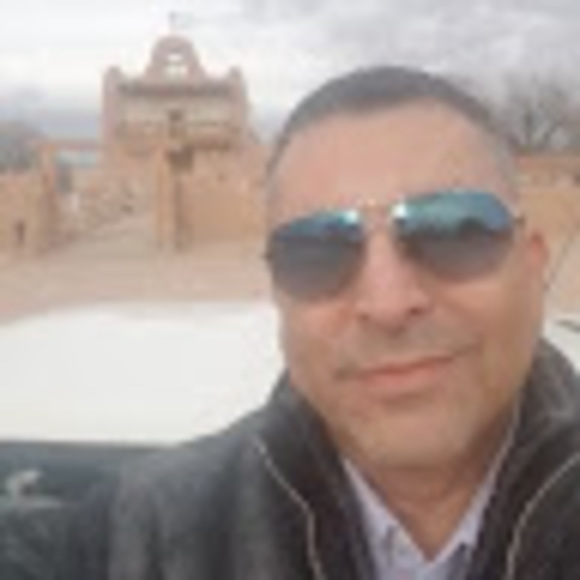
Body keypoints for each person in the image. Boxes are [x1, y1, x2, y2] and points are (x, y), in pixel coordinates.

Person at [38, 66, 580, 579]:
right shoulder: (144, 534)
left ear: (533, 264)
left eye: (453, 232)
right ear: (279, 293)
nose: (388, 303)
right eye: (317, 251)